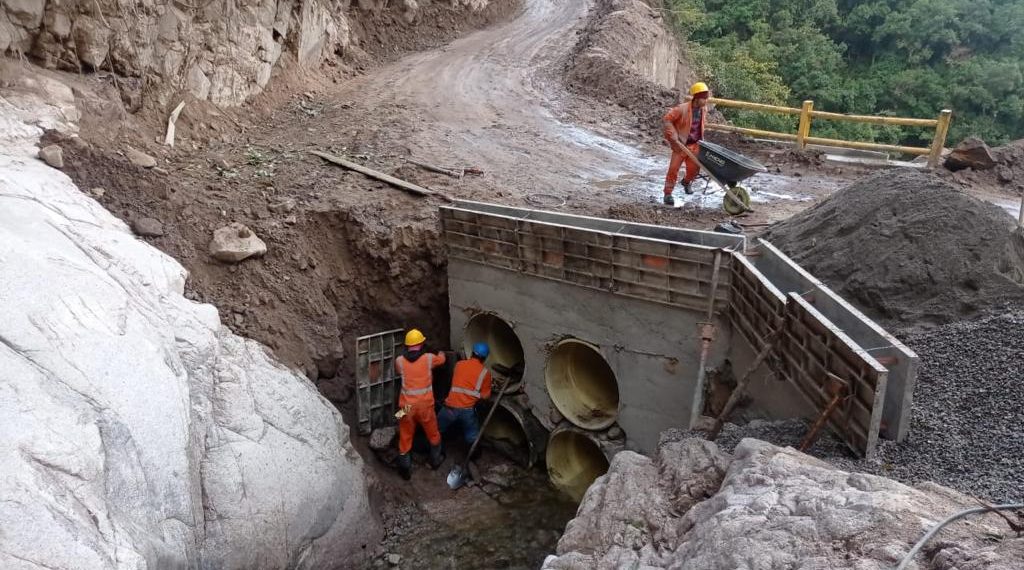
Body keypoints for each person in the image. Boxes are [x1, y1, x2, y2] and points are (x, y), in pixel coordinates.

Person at [394, 328, 446, 480]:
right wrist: (441, 352)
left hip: (406, 407)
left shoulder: (399, 361)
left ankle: (404, 469)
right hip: (425, 406)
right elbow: (442, 360)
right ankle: (435, 460)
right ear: (422, 343)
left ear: (407, 345)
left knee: (405, 435)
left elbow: (401, 372)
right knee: (433, 433)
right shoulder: (429, 358)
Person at [437, 343, 493, 454]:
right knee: (472, 436)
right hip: (467, 411)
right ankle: (473, 455)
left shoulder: (459, 365)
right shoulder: (485, 373)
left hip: (449, 408)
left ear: (472, 353)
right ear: (485, 358)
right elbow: (486, 396)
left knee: (437, 431)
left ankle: (434, 453)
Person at [662, 82, 711, 205]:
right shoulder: (682, 109)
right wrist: (673, 133)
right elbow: (667, 119)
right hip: (681, 145)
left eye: (706, 98)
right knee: (673, 169)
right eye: (704, 98)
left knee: (694, 169)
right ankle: (668, 194)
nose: (706, 101)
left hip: (695, 144)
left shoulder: (703, 110)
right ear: (697, 98)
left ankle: (687, 182)